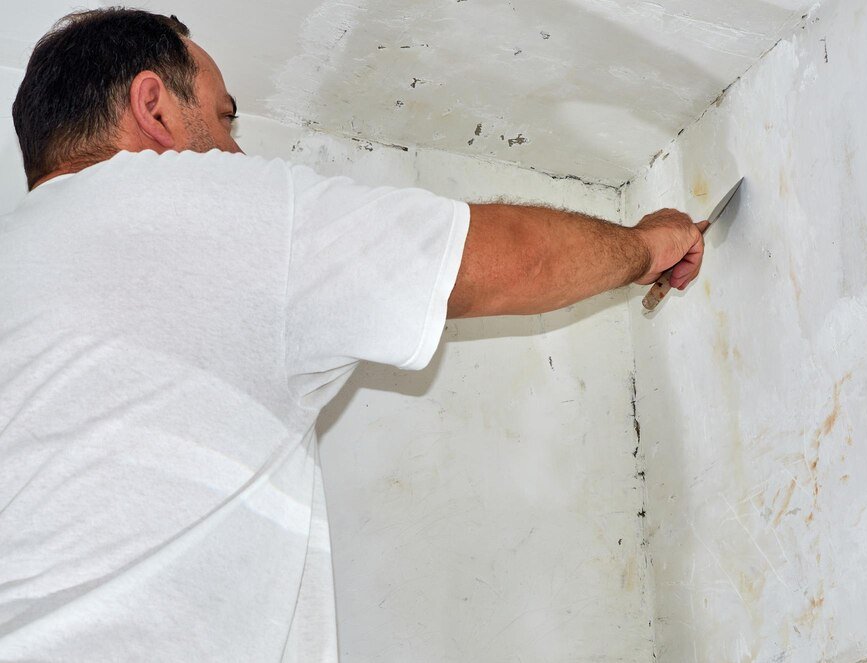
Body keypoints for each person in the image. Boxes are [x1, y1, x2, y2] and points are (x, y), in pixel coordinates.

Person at [0, 8, 706, 661]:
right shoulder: (203, 205)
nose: (234, 153)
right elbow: (512, 259)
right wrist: (649, 243)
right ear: (154, 107)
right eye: (221, 118)